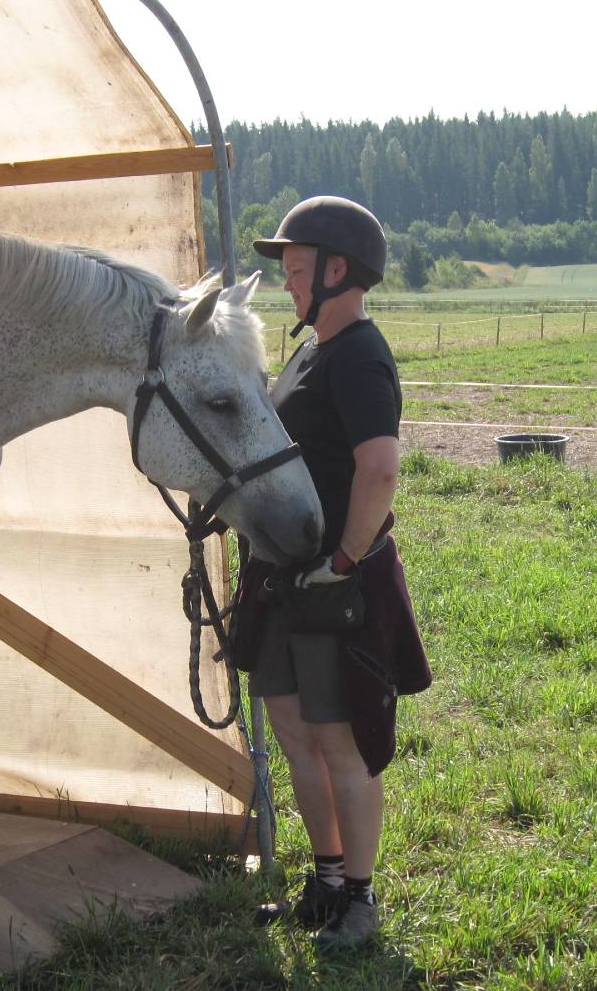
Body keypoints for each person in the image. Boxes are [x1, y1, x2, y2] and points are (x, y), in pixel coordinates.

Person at [232, 196, 431, 950]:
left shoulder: (359, 355)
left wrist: (342, 562)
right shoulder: (313, 349)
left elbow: (378, 470)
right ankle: (324, 878)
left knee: (340, 741)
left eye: (296, 269)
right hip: (285, 580)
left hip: (334, 586)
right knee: (293, 729)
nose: (285, 283)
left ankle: (360, 898)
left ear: (337, 270)